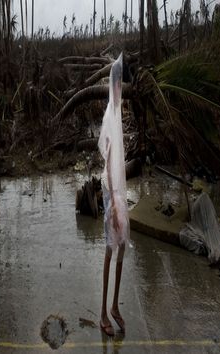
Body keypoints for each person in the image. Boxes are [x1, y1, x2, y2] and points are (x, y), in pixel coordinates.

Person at [98, 53, 129, 336]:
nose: (121, 89)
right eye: (118, 84)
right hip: (111, 194)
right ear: (113, 85)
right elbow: (108, 167)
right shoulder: (110, 115)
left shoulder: (118, 113)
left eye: (122, 85)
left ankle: (115, 305)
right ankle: (103, 313)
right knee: (110, 250)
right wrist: (116, 209)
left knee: (120, 249)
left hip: (118, 193)